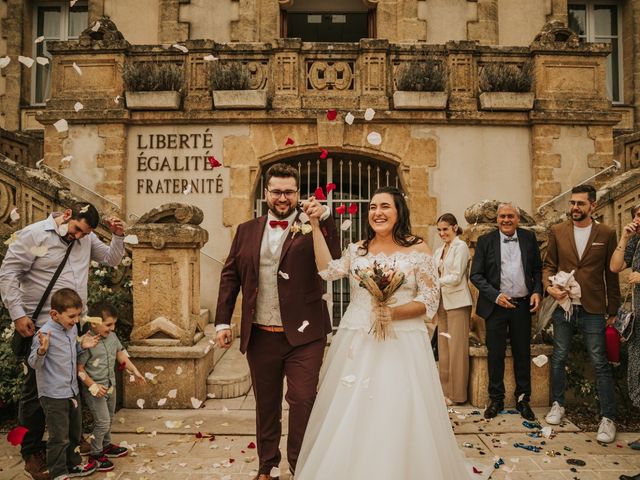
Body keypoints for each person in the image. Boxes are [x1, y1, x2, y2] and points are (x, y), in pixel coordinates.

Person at [296, 187, 489, 479]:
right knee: (353, 410)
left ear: (399, 212)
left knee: (397, 409)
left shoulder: (418, 250)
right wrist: (314, 225)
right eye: (372, 207)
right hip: (357, 339)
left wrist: (394, 313)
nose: (377, 212)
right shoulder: (357, 249)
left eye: (385, 206)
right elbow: (326, 270)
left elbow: (429, 300)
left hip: (402, 342)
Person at [213, 163, 341, 480]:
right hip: (261, 335)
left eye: (289, 191)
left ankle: (300, 465)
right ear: (266, 194)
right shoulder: (246, 230)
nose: (283, 197)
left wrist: (323, 218)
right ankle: (267, 466)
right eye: (277, 191)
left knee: (302, 399)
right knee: (266, 405)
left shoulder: (313, 225)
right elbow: (230, 276)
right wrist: (222, 322)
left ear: (298, 194)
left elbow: (334, 259)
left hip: (305, 335)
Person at [0, 201, 125, 480]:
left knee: (71, 385)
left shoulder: (86, 237)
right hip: (41, 327)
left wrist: (117, 236)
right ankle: (32, 451)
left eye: (85, 233)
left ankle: (67, 440)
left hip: (72, 326)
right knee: (36, 391)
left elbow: (111, 259)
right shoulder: (33, 235)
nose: (79, 237)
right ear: (67, 215)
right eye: (77, 229)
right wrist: (18, 315)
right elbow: (8, 273)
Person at [543, 184, 620, 443]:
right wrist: (549, 287)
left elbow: (611, 274)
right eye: (572, 203)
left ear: (593, 206)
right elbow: (548, 266)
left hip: (593, 308)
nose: (575, 208)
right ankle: (557, 404)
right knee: (559, 357)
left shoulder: (607, 233)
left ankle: (608, 418)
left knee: (599, 361)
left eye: (580, 204)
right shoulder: (557, 231)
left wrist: (613, 310)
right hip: (563, 306)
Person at [470, 202, 542, 421]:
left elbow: (538, 269)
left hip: (521, 305)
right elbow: (476, 275)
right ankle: (496, 399)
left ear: (518, 219)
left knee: (522, 353)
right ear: (497, 219)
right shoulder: (485, 241)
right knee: (495, 354)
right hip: (496, 306)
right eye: (502, 216)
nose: (506, 220)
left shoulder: (529, 239)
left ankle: (523, 399)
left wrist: (537, 291)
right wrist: (496, 296)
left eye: (510, 216)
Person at [28, 288, 100, 480]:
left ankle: (73, 464)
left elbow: (72, 350)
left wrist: (82, 345)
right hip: (53, 395)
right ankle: (58, 472)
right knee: (59, 436)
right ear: (54, 314)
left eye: (78, 315)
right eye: (71, 316)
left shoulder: (72, 329)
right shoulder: (44, 334)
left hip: (71, 391)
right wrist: (42, 351)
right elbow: (33, 363)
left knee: (74, 431)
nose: (76, 320)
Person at [77, 302, 146, 472]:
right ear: (94, 323)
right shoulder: (87, 342)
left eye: (114, 323)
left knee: (109, 417)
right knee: (102, 421)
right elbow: (79, 369)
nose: (112, 327)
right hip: (95, 390)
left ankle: (106, 445)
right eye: (108, 324)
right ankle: (95, 454)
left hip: (110, 386)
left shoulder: (113, 338)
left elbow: (121, 355)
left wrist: (135, 371)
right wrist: (92, 386)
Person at [434, 213, 473, 405]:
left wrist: (434, 282)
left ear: (455, 228)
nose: (442, 233)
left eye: (445, 229)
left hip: (458, 303)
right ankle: (444, 391)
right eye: (439, 230)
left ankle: (458, 395)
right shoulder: (439, 250)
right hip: (441, 302)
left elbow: (457, 276)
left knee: (457, 348)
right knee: (444, 347)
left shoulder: (461, 246)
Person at [610, 203, 640, 450]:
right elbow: (615, 266)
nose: (639, 218)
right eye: (637, 214)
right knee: (638, 375)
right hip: (638, 322)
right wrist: (624, 236)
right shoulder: (636, 241)